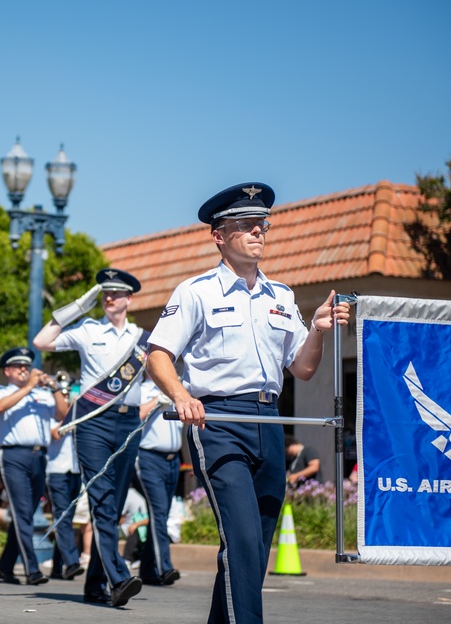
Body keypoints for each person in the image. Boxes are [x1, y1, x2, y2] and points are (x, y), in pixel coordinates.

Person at [146, 182, 350, 624]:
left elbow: (303, 368)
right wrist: (182, 396)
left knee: (255, 547)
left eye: (263, 225)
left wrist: (316, 329)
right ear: (219, 235)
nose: (259, 232)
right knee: (239, 539)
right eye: (246, 225)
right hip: (217, 421)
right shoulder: (195, 292)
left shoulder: (282, 296)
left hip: (270, 422)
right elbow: (157, 356)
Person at [33, 268, 148, 607]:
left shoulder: (143, 337)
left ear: (129, 298)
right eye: (104, 293)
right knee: (100, 498)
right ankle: (119, 576)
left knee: (112, 506)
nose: (109, 298)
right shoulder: (87, 329)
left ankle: (96, 585)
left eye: (116, 293)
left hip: (128, 423)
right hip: (93, 424)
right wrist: (76, 308)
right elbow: (41, 342)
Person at [0, 347, 68, 587]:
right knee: (23, 513)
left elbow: (63, 415)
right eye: (18, 367)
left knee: (24, 514)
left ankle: (4, 567)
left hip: (39, 456)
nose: (24, 370)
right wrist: (29, 387)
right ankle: (32, 569)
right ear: (8, 371)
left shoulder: (42, 393)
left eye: (26, 367)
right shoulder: (1, 391)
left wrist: (54, 388)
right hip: (14, 455)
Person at [133, 372, 182, 586]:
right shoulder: (142, 390)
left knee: (160, 514)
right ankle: (164, 567)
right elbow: (135, 416)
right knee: (159, 511)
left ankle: (147, 570)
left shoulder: (177, 389)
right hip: (149, 457)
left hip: (173, 459)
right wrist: (156, 401)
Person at [45, 416, 84, 581]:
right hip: (57, 471)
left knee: (67, 519)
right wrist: (70, 413)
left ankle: (57, 567)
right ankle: (72, 562)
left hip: (75, 471)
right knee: (63, 517)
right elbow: (56, 433)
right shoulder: (52, 415)